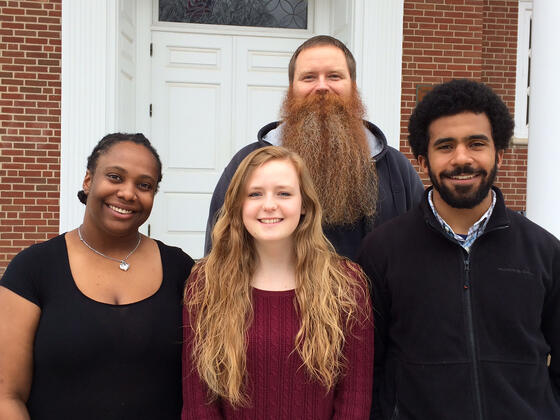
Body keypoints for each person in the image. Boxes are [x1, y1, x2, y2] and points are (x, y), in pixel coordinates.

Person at [358, 79, 560, 419]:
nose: (462, 159)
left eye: (476, 144)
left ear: (499, 153)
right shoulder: (382, 251)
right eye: (446, 146)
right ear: (423, 160)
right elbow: (368, 369)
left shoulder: (544, 252)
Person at [0, 133, 195, 419]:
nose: (128, 193)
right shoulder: (33, 268)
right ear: (88, 181)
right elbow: (7, 395)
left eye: (144, 185)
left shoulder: (181, 269)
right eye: (115, 177)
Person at [183, 146, 374, 419]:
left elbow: (354, 398)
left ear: (304, 204)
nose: (269, 204)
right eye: (255, 194)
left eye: (283, 193)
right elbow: (199, 403)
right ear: (238, 205)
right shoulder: (206, 284)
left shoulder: (346, 284)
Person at [205, 35, 424, 260]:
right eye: (309, 77)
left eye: (334, 76)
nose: (321, 86)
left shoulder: (395, 168)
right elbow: (220, 249)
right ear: (292, 88)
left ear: (353, 86)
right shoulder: (247, 163)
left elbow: (422, 251)